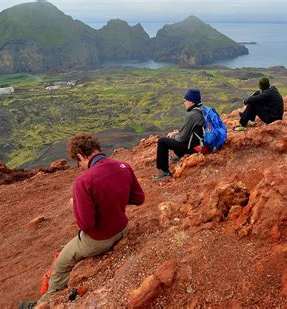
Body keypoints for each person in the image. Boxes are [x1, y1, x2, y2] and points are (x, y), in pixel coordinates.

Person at [36, 133, 145, 305]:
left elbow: (86, 225)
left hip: (100, 239)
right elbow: (139, 199)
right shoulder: (123, 166)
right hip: (122, 228)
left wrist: (77, 206)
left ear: (80, 156)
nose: (79, 166)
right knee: (67, 248)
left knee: (61, 264)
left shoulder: (84, 180)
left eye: (77, 162)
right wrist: (116, 197)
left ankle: (44, 302)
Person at [153, 88, 205, 179]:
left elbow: (182, 138)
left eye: (186, 100)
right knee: (175, 139)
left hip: (194, 148)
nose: (184, 103)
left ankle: (165, 171)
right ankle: (182, 156)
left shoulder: (192, 115)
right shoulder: (202, 109)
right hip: (201, 143)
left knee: (162, 141)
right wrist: (177, 133)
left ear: (192, 102)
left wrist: (174, 136)